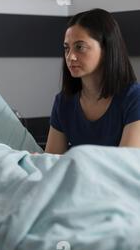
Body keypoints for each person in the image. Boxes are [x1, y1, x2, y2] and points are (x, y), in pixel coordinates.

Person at [45, 8, 140, 154]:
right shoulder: (63, 102)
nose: (70, 57)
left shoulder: (134, 99)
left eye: (80, 47)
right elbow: (51, 163)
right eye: (66, 48)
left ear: (107, 49)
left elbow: (124, 168)